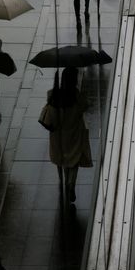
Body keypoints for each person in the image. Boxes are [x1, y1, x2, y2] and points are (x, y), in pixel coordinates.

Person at [43, 67, 93, 203]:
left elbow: (48, 115)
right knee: (73, 161)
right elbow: (86, 106)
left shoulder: (53, 95)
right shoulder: (77, 97)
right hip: (74, 134)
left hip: (58, 136)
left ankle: (64, 181)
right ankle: (71, 183)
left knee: (62, 160)